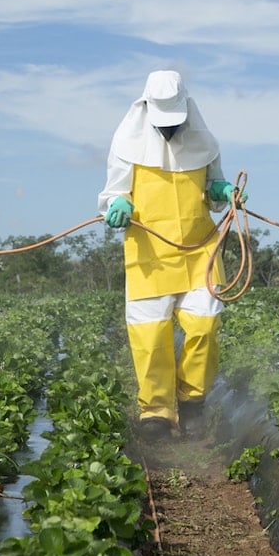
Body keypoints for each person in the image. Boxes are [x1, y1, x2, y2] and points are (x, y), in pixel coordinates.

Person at [98, 70, 247, 440]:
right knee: (151, 337)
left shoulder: (204, 141)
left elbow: (213, 192)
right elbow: (114, 193)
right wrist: (118, 205)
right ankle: (157, 413)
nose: (169, 131)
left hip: (199, 251)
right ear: (146, 109)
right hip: (150, 254)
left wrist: (223, 190)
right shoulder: (126, 143)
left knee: (205, 325)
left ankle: (193, 401)